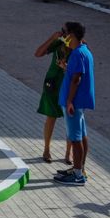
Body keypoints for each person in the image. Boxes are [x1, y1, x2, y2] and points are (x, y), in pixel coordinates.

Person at [54, 21, 95, 186]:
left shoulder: (77, 53)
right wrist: (67, 68)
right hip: (79, 102)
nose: (62, 35)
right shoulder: (84, 50)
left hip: (74, 103)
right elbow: (76, 74)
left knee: (75, 138)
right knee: (82, 135)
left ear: (71, 35)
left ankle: (77, 175)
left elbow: (77, 79)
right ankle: (80, 168)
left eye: (64, 32)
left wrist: (69, 101)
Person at [34, 28, 71, 164]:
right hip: (53, 85)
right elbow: (38, 53)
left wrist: (66, 67)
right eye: (62, 32)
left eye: (65, 32)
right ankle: (46, 149)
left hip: (68, 88)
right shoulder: (58, 44)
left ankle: (68, 154)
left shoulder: (79, 48)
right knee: (51, 117)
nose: (63, 35)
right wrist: (52, 38)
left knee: (70, 121)